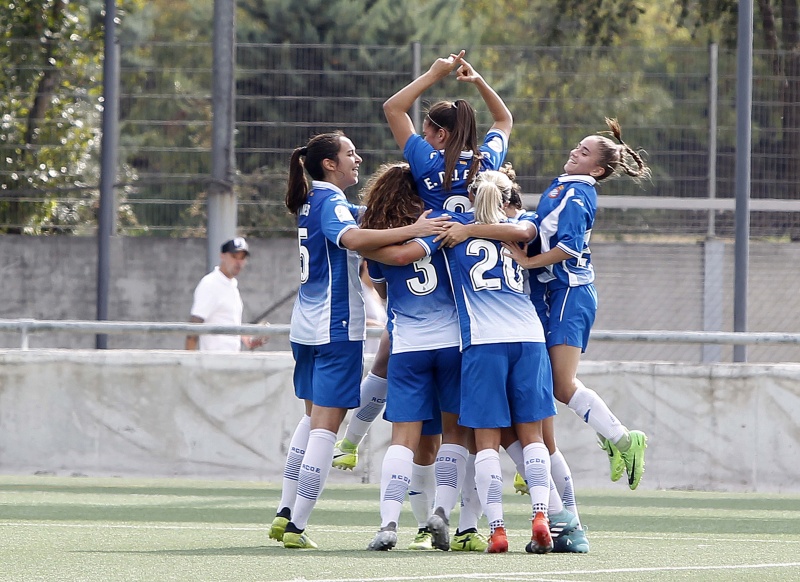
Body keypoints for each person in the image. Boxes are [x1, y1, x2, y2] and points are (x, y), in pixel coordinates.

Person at [267, 131, 449, 550]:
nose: (358, 159)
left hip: (305, 327)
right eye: (350, 153)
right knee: (325, 432)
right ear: (329, 163)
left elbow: (366, 219)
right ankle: (296, 526)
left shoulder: (316, 200)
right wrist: (418, 227)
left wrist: (402, 208)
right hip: (334, 327)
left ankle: (284, 512)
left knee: (311, 422)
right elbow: (352, 239)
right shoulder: (329, 200)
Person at [502, 118, 652, 493]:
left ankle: (621, 439)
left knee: (560, 383)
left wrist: (528, 261)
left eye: (584, 152)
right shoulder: (564, 185)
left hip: (570, 292)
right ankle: (535, 456)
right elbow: (541, 227)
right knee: (539, 380)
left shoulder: (578, 193)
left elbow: (568, 247)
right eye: (577, 146)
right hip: (551, 293)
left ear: (597, 169)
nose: (574, 152)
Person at [353, 163, 474, 552]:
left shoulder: (378, 245)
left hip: (407, 347)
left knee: (402, 441)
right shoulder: (442, 224)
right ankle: (440, 513)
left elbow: (387, 290)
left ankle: (388, 524)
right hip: (453, 344)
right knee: (454, 435)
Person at [442, 169, 558, 554]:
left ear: (473, 197)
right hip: (528, 337)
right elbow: (525, 233)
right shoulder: (522, 224)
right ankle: (541, 514)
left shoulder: (455, 227)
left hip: (484, 342)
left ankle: (497, 529)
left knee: (486, 444)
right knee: (533, 437)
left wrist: (468, 230)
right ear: (508, 198)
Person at [383, 49, 512, 212]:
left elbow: (393, 108)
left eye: (425, 134)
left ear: (441, 134)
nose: (423, 140)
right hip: (477, 236)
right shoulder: (486, 161)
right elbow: (504, 120)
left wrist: (433, 74)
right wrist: (478, 81)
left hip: (434, 237)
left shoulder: (427, 161)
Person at [185, 237, 267, 352]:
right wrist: (189, 363)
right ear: (222, 256)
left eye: (242, 258)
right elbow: (193, 328)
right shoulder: (210, 284)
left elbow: (227, 321)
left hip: (230, 361)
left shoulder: (231, 285)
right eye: (234, 256)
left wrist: (248, 339)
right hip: (213, 361)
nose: (239, 262)